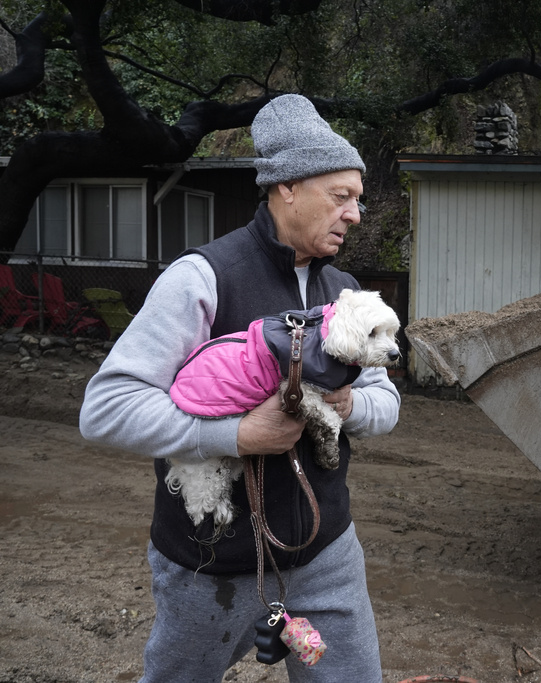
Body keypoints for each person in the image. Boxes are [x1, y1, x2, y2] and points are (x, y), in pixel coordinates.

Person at [79, 94, 399, 682]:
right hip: (212, 562)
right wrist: (237, 433)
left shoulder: (348, 292)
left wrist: (347, 402)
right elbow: (106, 407)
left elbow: (387, 402)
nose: (354, 213)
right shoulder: (202, 277)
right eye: (341, 196)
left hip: (325, 550)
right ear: (287, 189)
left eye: (357, 198)